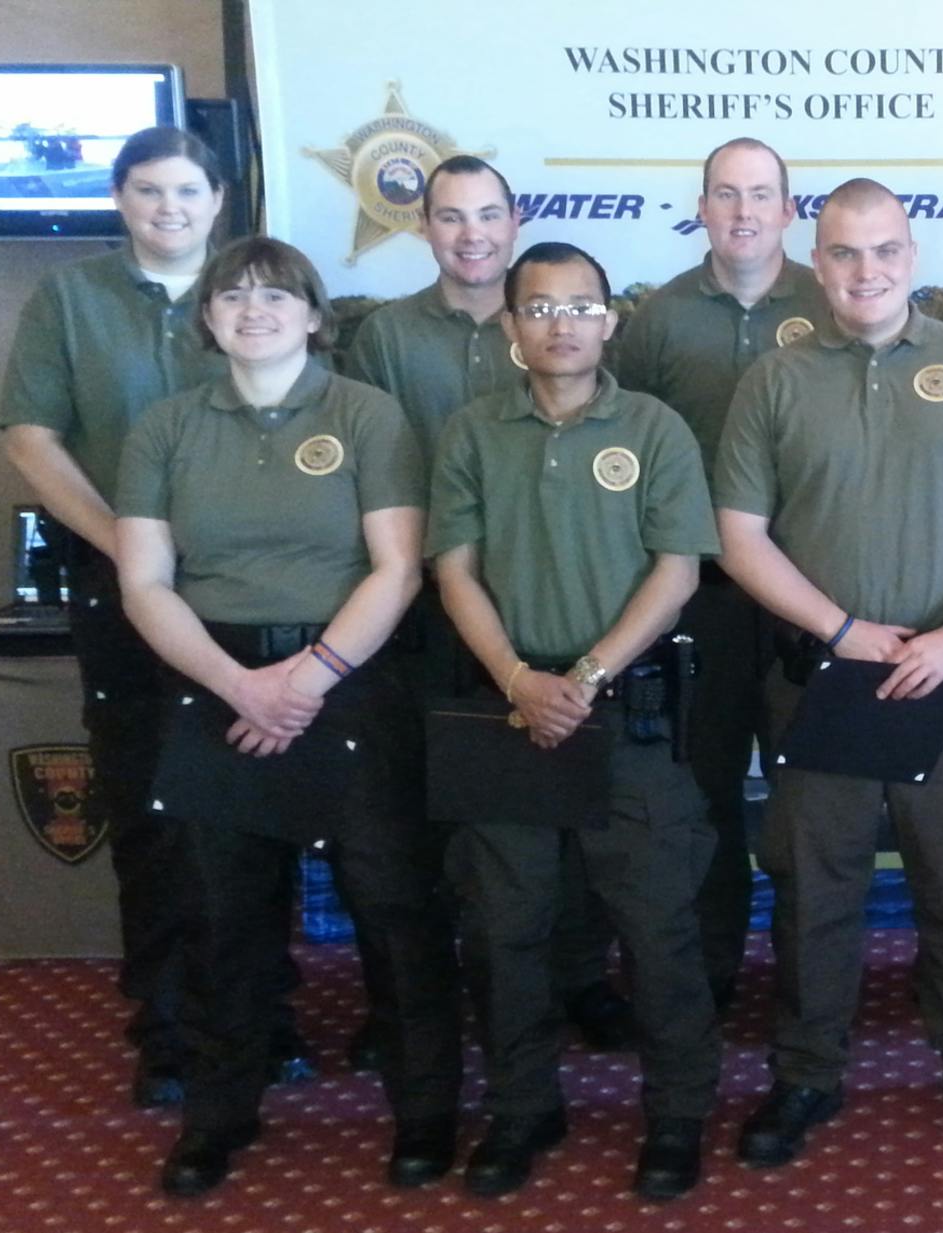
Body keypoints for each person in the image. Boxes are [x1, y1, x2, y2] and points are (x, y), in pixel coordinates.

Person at [714, 178, 943, 1166]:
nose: (865, 271)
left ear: (913, 256)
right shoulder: (774, 380)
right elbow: (739, 535)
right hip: (823, 677)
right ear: (816, 261)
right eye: (843, 252)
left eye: (884, 250)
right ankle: (805, 1071)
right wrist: (839, 629)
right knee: (814, 888)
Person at [113, 237, 460, 1196]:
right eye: (233, 296)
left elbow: (399, 567)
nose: (254, 310)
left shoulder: (366, 413)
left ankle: (426, 1110)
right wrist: (239, 684)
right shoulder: (164, 426)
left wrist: (306, 679)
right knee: (219, 917)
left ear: (314, 315)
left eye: (276, 295)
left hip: (350, 677)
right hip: (213, 678)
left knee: (394, 907)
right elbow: (145, 583)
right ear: (208, 317)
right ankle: (219, 1114)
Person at [0, 125, 309, 1109]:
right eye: (146, 190)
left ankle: (264, 1013)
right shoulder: (70, 298)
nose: (167, 208)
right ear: (118, 198)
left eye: (186, 190)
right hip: (120, 581)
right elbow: (31, 437)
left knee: (255, 807)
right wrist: (130, 546)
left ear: (218, 200)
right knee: (152, 811)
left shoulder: (256, 291)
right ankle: (169, 1029)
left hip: (247, 589)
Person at [429, 241, 725, 1200]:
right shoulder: (472, 432)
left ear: (610, 320)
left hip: (625, 709)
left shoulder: (655, 428)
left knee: (658, 925)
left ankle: (677, 1111)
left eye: (581, 306)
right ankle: (522, 1107)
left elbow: (677, 571)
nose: (562, 324)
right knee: (505, 928)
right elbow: (454, 571)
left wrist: (587, 676)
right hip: (508, 710)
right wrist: (519, 678)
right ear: (511, 325)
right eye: (541, 307)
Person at [345, 155, 631, 1058]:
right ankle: (428, 997)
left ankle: (578, 980)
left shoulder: (565, 322)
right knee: (432, 812)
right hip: (422, 601)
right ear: (423, 226)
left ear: (514, 222)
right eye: (450, 216)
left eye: (487, 215)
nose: (471, 234)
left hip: (554, 600)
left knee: (566, 798)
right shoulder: (386, 336)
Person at [613, 137, 832, 1008]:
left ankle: (809, 987)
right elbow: (624, 452)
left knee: (810, 802)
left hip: (811, 603)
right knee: (700, 799)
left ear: (790, 209)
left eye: (761, 193)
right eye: (727, 194)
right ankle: (707, 977)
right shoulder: (659, 319)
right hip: (698, 602)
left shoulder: (832, 300)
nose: (744, 211)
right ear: (700, 208)